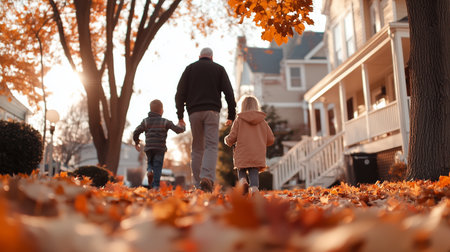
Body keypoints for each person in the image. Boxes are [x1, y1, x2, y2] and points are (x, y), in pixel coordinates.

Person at [175, 47, 236, 192]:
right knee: (211, 145)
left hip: (194, 112)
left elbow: (179, 93)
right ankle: (207, 177)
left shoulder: (190, 69)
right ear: (211, 57)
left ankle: (198, 184)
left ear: (199, 56)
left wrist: (180, 116)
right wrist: (231, 115)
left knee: (197, 147)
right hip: (212, 112)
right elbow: (229, 93)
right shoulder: (218, 69)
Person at [224, 95, 274, 195]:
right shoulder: (262, 122)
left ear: (242, 106)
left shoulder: (239, 120)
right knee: (253, 171)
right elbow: (270, 139)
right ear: (256, 106)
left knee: (241, 168)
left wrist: (227, 140)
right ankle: (254, 189)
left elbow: (232, 137)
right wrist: (262, 142)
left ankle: (243, 181)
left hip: (242, 151)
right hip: (257, 152)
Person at [133, 99, 185, 189]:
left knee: (150, 162)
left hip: (149, 147)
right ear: (161, 111)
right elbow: (177, 130)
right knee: (157, 166)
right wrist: (182, 126)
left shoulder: (145, 121)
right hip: (160, 148)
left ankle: (149, 170)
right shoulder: (165, 122)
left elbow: (136, 131)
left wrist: (137, 141)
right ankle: (156, 186)